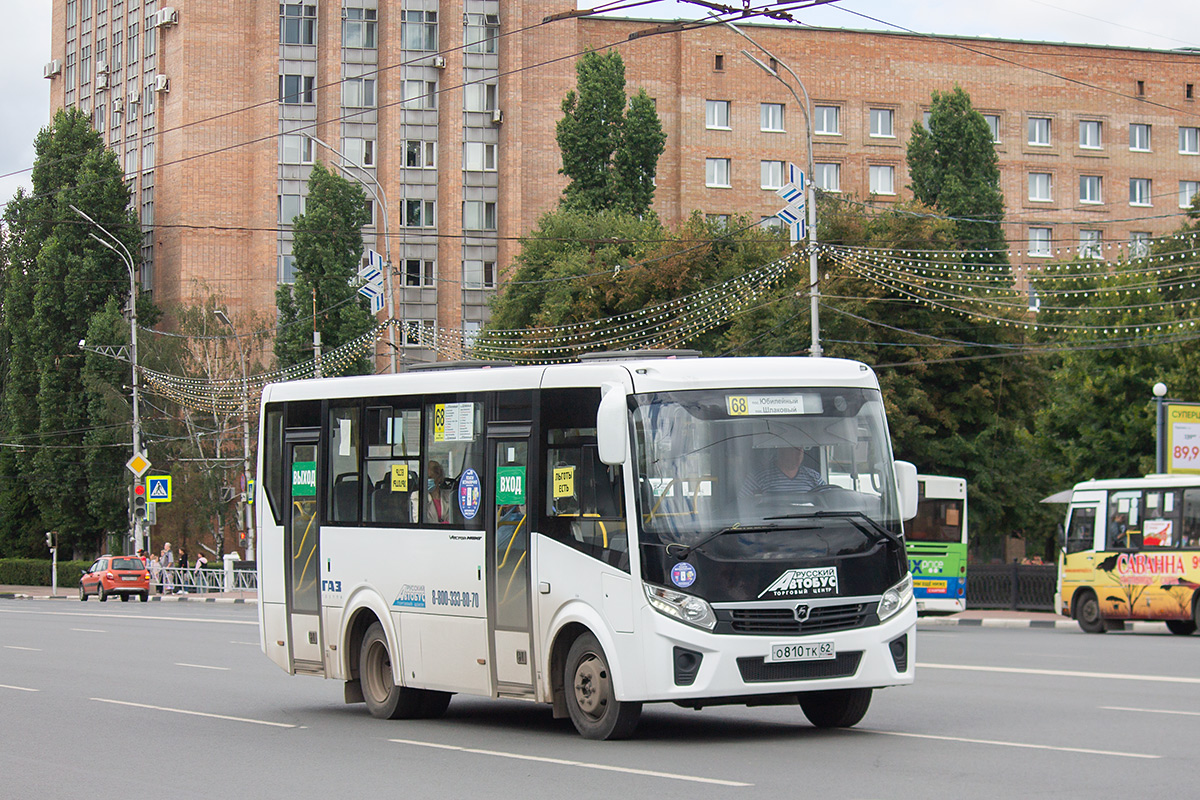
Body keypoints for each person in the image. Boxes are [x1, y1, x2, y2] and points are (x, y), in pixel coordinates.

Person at [740, 446, 825, 497]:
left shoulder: (814, 477)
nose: (799, 454)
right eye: (794, 449)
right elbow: (742, 505)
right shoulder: (757, 478)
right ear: (781, 450)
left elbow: (828, 499)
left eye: (801, 450)